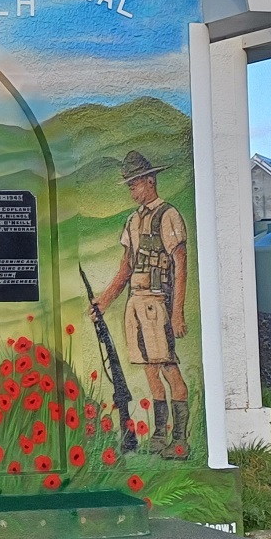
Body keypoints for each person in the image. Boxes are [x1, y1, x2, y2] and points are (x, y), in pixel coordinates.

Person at [91, 151, 191, 459]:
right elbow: (126, 266)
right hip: (135, 303)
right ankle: (160, 437)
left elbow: (180, 264)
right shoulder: (133, 221)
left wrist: (177, 312)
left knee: (168, 368)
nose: (133, 190)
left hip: (157, 302)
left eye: (136, 184)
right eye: (130, 185)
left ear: (150, 181)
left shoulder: (169, 215)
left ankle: (179, 441)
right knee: (150, 371)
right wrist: (104, 301)